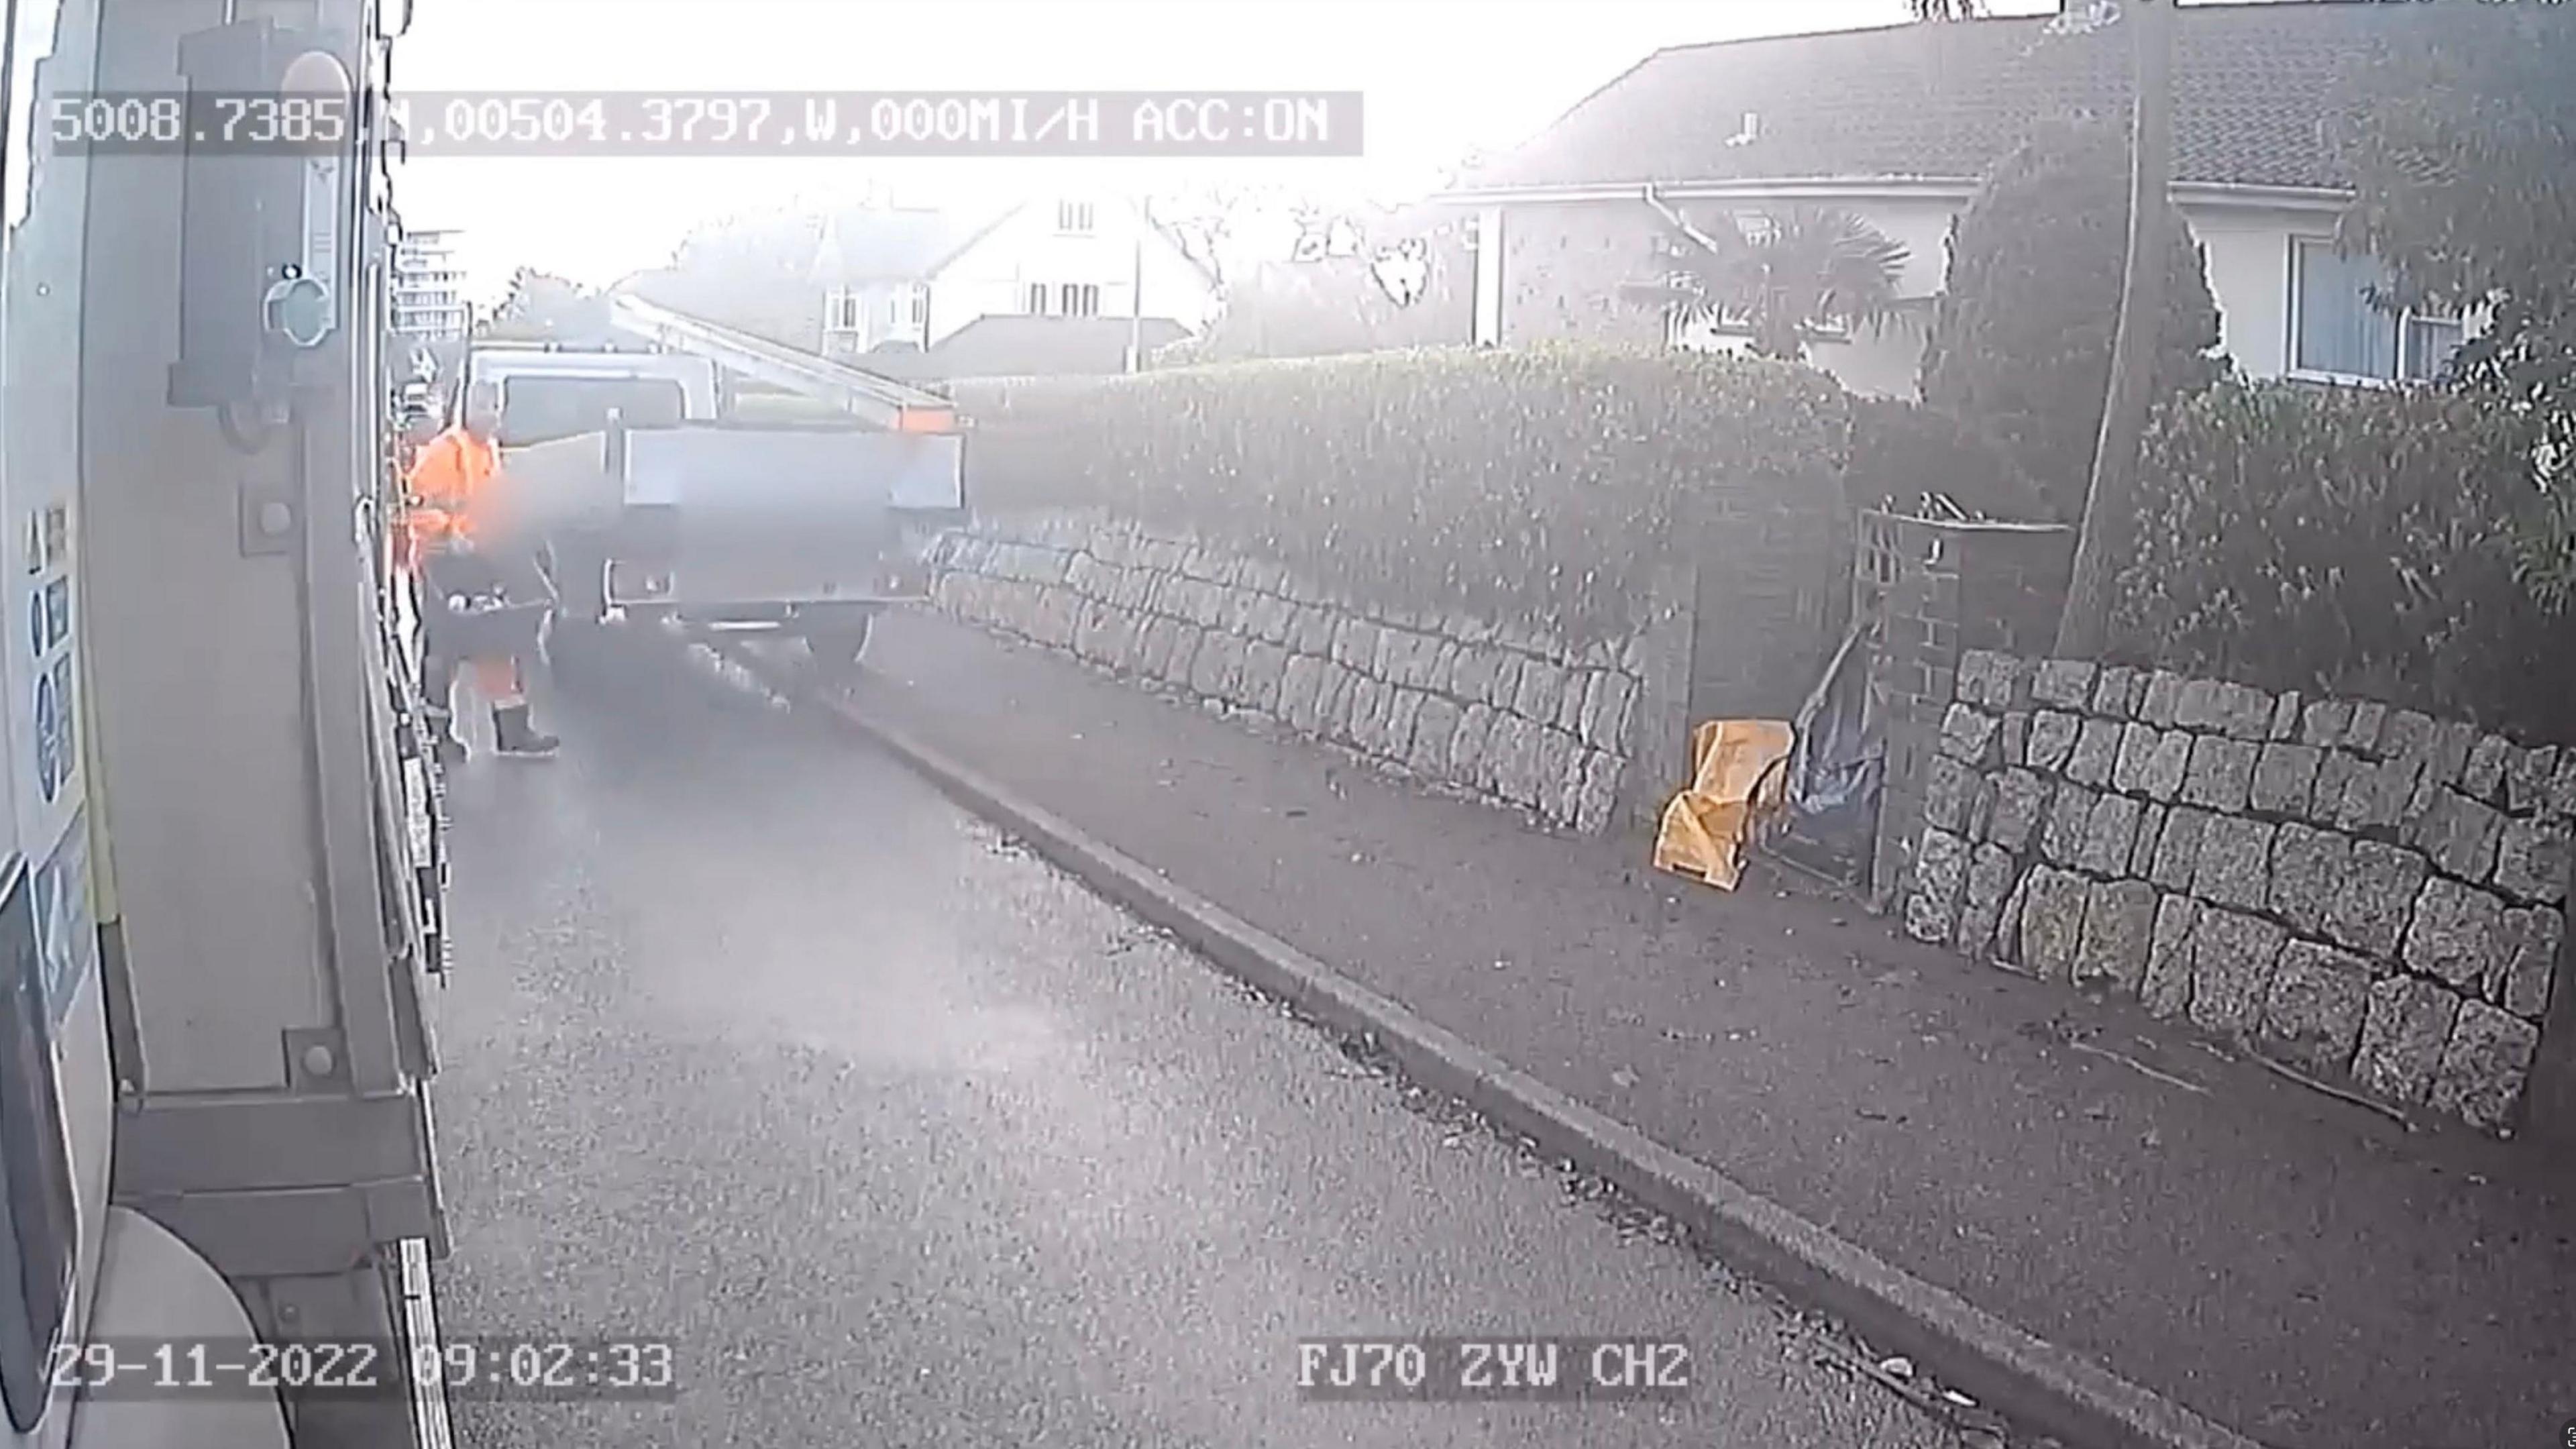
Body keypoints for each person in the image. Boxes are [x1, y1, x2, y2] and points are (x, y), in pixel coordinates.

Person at [404, 382, 561, 759]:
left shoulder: (487, 450)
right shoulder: (446, 452)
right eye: (482, 405)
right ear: (464, 408)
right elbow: (417, 504)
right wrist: (449, 533)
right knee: (445, 653)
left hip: (479, 560)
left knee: (495, 641)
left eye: (494, 406)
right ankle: (435, 738)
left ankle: (513, 731)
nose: (489, 413)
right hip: (442, 562)